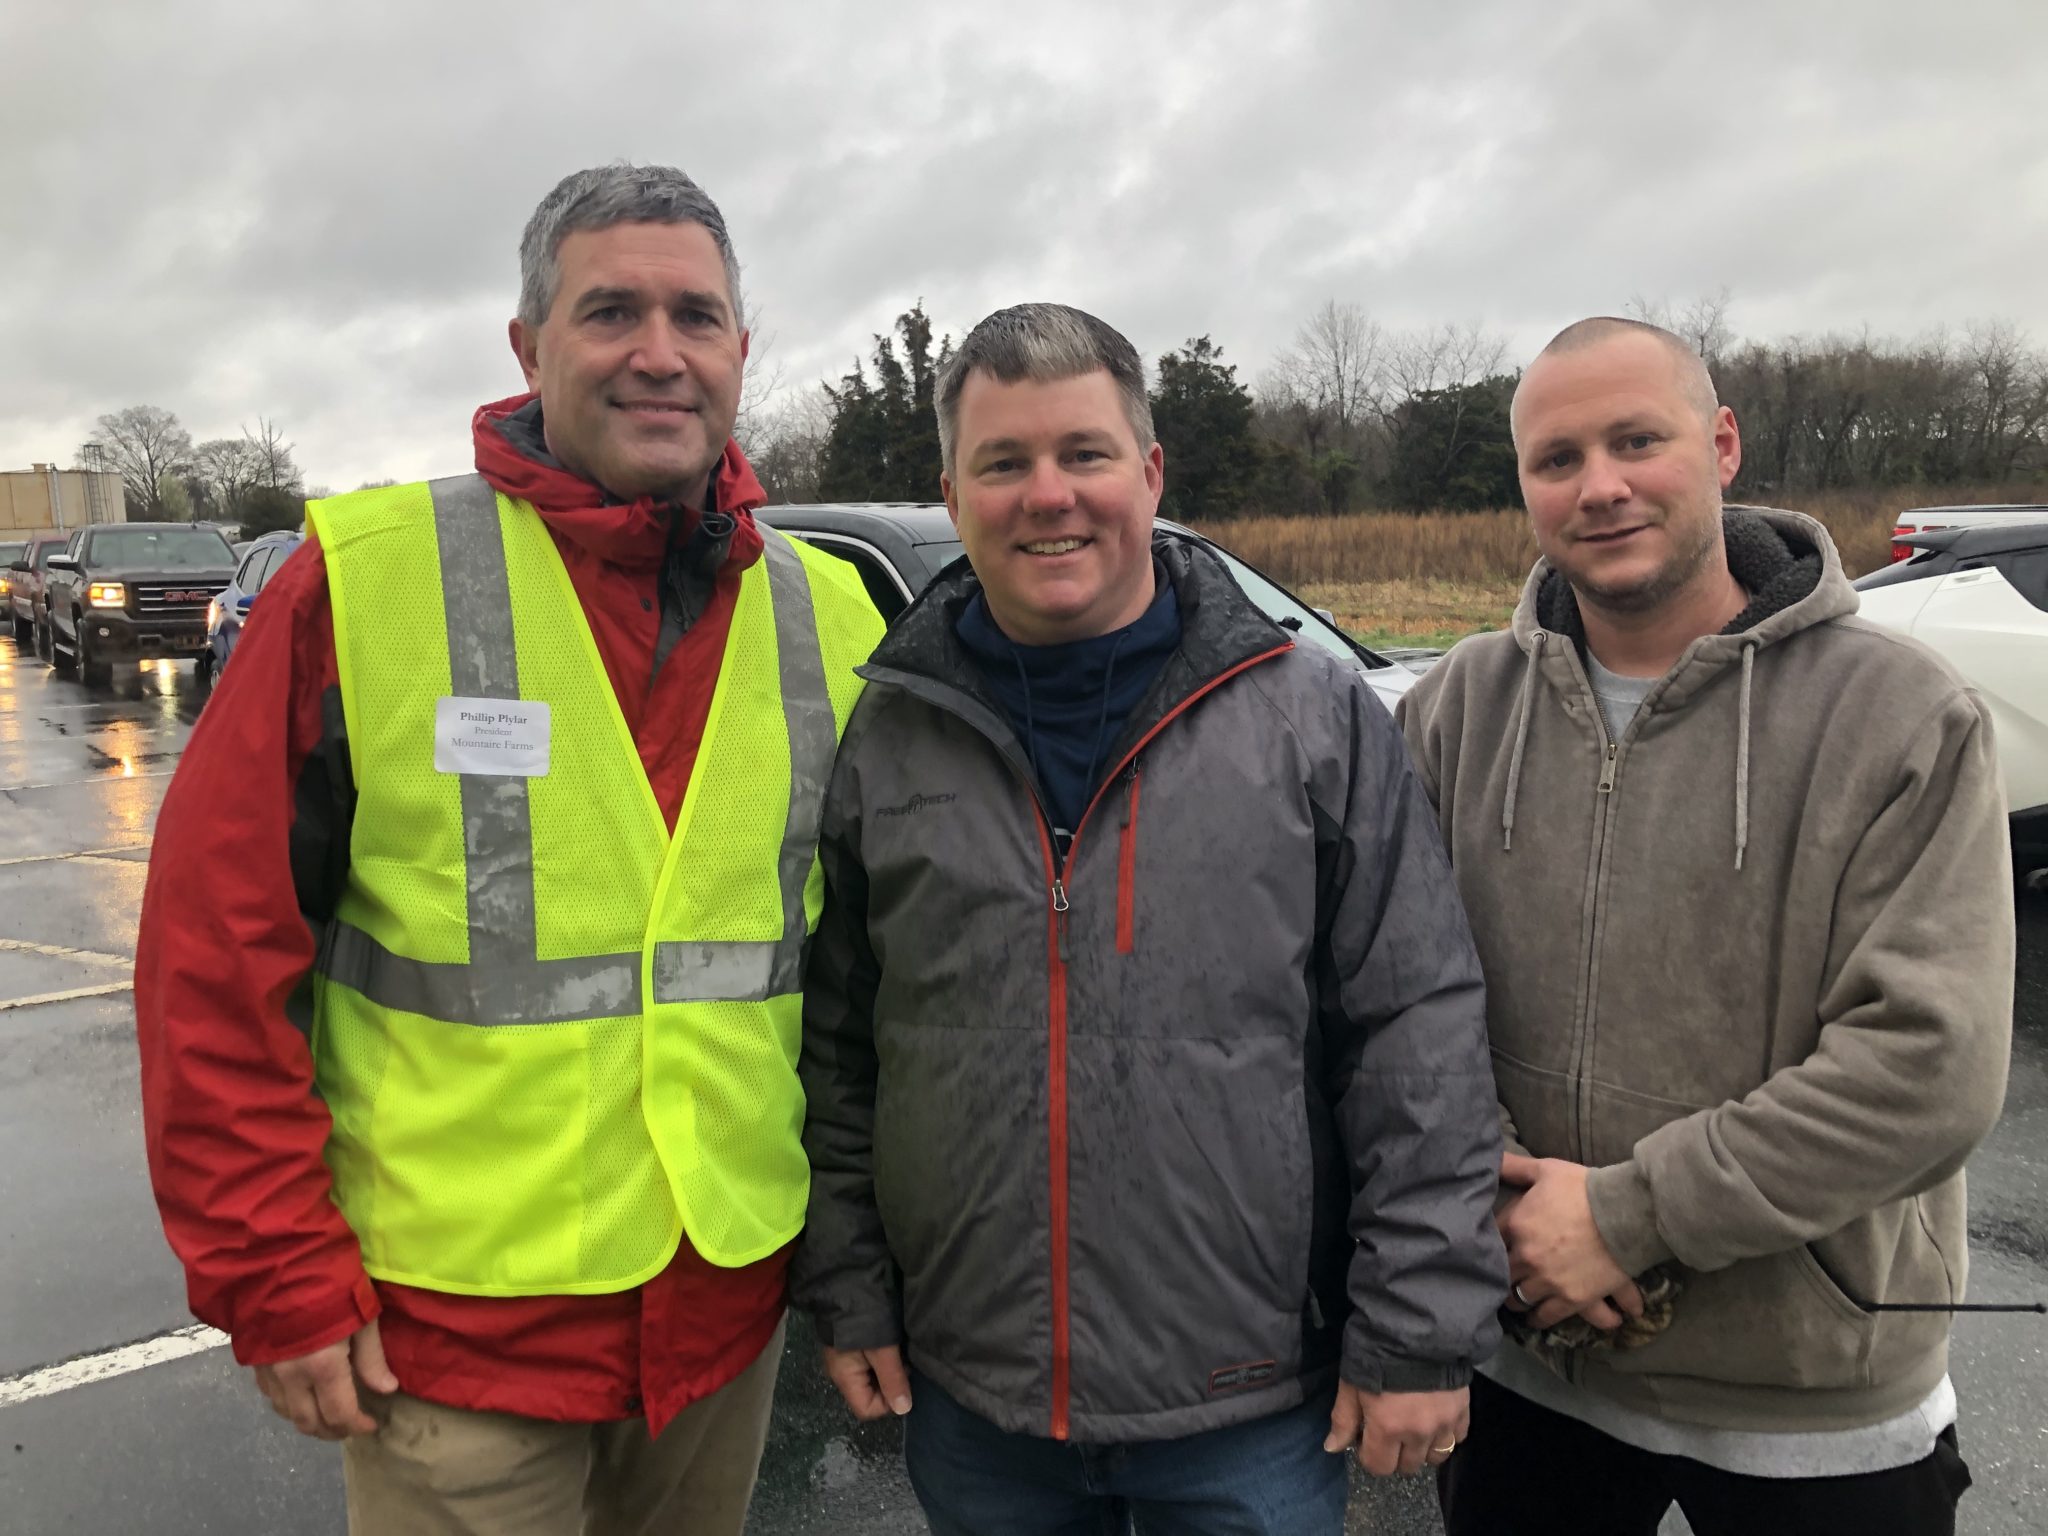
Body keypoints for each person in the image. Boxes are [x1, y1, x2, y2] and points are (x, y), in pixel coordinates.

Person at [134, 164, 883, 1536]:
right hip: (453, 1347)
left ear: (740, 348)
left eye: (695, 317)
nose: (658, 352)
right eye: (610, 312)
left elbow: (866, 986)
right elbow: (214, 956)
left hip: (721, 1321)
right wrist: (274, 1271)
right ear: (530, 348)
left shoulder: (831, 616)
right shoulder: (364, 582)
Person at [790, 302, 1507, 1535]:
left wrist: (1417, 1326)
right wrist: (849, 1287)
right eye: (1002, 463)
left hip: (1249, 1407)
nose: (1047, 495)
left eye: (1084, 453)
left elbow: (1415, 1034)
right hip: (978, 1404)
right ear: (951, 491)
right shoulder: (892, 729)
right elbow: (843, 1049)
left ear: (1150, 472)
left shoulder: (1312, 718)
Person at [1397, 316, 2014, 1535]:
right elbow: (1395, 1000)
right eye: (1556, 458)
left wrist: (1624, 1219)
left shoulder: (1898, 715)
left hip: (1813, 1401)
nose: (1599, 486)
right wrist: (1497, 1194)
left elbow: (1926, 1066)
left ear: (1720, 444)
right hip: (1527, 1369)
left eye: (1636, 441)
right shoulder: (1455, 708)